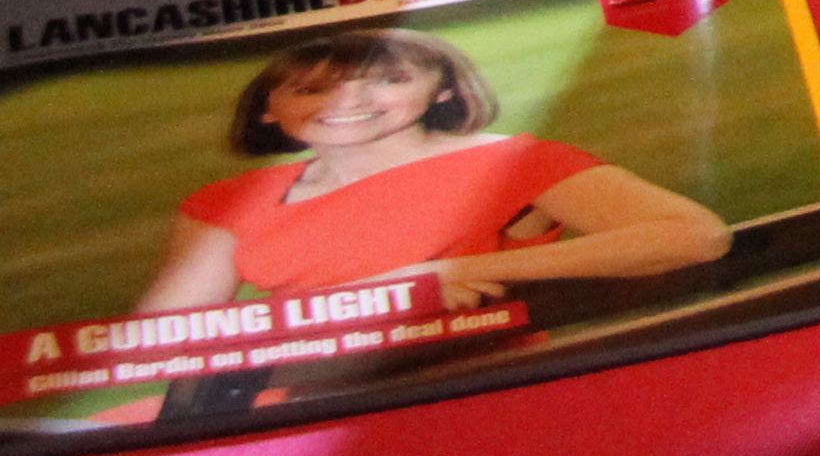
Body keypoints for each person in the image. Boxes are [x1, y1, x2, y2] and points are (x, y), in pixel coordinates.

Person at [129, 25, 729, 320]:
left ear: (442, 89)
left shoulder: (512, 161)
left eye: (390, 79)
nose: (348, 101)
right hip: (285, 401)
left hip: (452, 394)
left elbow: (693, 234)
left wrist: (459, 271)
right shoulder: (230, 200)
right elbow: (168, 336)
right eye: (313, 88)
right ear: (267, 109)